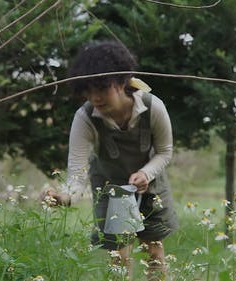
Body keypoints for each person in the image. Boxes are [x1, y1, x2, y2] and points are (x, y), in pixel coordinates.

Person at [41, 41, 178, 281]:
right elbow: (77, 172)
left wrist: (146, 174)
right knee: (119, 259)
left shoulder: (153, 107)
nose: (95, 98)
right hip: (110, 187)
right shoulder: (84, 118)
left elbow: (165, 152)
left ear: (122, 82)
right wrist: (65, 197)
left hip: (151, 185)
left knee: (154, 252)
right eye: (88, 90)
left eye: (102, 89)